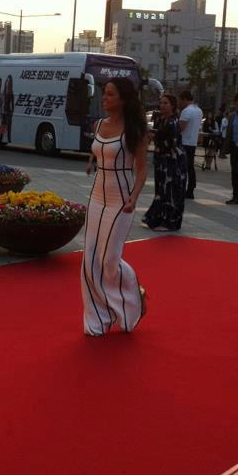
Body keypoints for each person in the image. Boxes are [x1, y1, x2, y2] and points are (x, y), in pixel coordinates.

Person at [81, 78, 148, 336]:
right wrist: (91, 161)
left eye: (110, 94)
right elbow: (97, 150)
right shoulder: (99, 124)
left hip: (120, 201)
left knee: (109, 260)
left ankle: (134, 297)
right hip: (96, 197)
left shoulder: (135, 130)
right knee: (89, 259)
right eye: (104, 94)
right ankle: (97, 320)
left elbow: (141, 169)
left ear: (123, 99)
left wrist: (134, 196)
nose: (104, 98)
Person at [142, 92, 187, 231]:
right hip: (162, 160)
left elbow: (171, 143)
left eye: (166, 103)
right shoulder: (161, 120)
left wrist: (154, 137)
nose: (162, 105)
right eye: (161, 102)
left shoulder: (173, 122)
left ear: (173, 106)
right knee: (161, 190)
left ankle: (170, 222)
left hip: (172, 161)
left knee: (171, 191)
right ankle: (156, 218)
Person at [177, 89, 202, 199]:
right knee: (190, 166)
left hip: (184, 141)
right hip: (192, 142)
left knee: (182, 166)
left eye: (180, 101)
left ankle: (182, 188)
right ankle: (191, 188)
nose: (179, 103)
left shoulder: (186, 111)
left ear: (184, 99)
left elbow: (181, 127)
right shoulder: (199, 110)